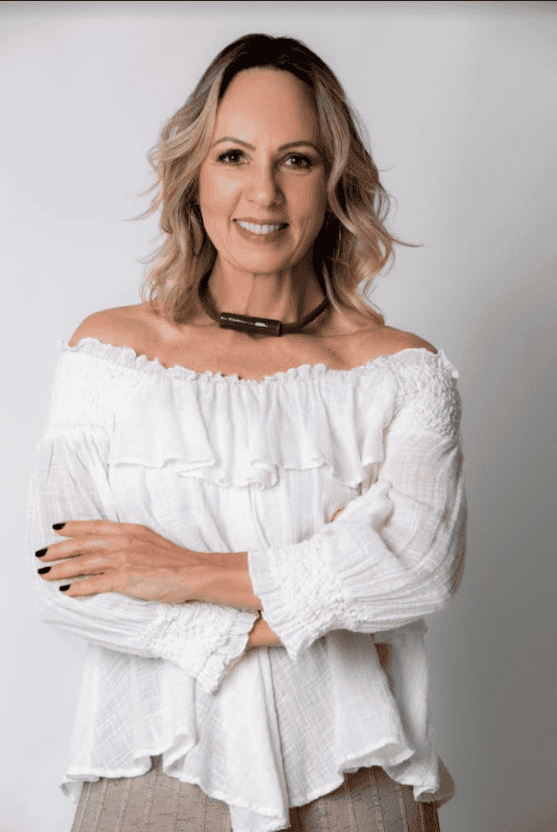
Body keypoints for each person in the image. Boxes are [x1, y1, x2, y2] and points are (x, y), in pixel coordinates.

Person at [28, 33, 466, 832]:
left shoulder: (401, 373)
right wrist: (315, 593)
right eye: (233, 156)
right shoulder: (110, 358)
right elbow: (64, 580)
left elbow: (415, 572)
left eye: (296, 160)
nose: (262, 192)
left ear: (332, 182)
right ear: (194, 174)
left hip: (357, 775)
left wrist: (181, 570)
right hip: (153, 770)